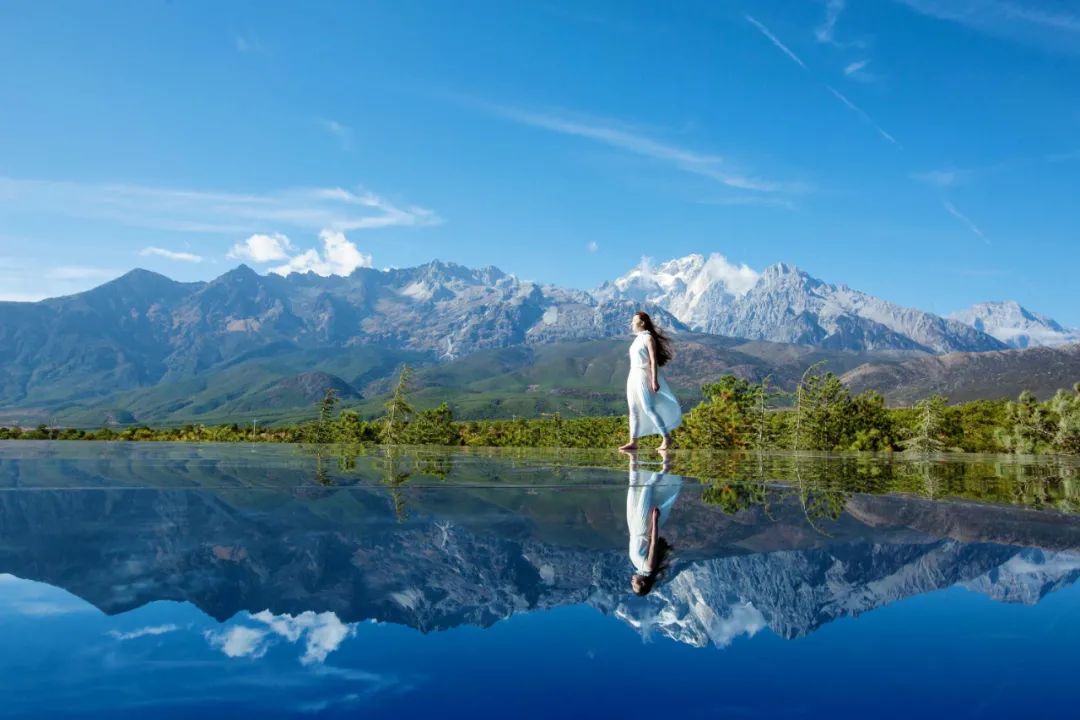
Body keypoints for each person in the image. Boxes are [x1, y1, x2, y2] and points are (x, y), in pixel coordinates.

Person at [619, 311, 682, 452]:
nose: (631, 323)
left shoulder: (648, 338)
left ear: (642, 322)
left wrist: (654, 380)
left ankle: (666, 438)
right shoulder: (637, 339)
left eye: (634, 320)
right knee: (633, 409)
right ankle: (633, 441)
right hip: (633, 374)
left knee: (648, 408)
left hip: (643, 374)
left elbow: (653, 361)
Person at [623, 450, 682, 596]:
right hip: (643, 526)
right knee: (647, 487)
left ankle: (633, 456)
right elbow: (654, 543)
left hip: (633, 526)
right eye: (635, 585)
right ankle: (665, 466)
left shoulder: (639, 566)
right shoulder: (648, 567)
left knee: (634, 486)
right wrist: (654, 520)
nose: (632, 582)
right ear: (642, 582)